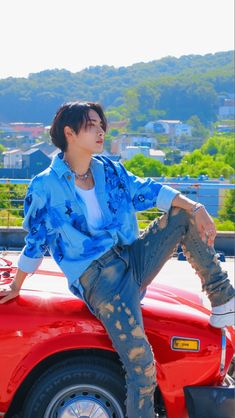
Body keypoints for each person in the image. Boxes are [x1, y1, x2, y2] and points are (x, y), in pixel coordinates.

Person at [0, 101, 234, 418]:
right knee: (142, 368)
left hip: (130, 258)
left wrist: (196, 207)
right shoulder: (46, 185)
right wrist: (17, 285)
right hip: (101, 282)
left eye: (101, 125)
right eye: (92, 125)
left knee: (181, 215)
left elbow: (146, 190)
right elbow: (36, 240)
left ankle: (223, 297)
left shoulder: (108, 170)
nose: (101, 131)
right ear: (69, 132)